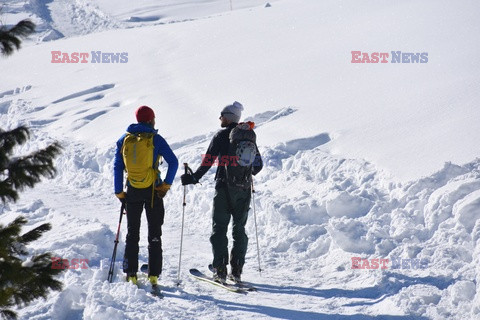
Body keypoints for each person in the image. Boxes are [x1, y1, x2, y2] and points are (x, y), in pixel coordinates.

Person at [181, 101, 263, 282]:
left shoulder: (220, 136)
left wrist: (194, 178)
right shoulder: (248, 138)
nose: (220, 118)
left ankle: (220, 269)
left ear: (228, 117)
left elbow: (208, 161)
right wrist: (243, 172)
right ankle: (237, 270)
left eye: (222, 115)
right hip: (243, 189)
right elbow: (258, 166)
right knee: (239, 229)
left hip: (223, 187)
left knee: (219, 228)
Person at [114, 105, 178, 286]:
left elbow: (118, 167)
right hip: (153, 191)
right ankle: (154, 275)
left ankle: (131, 273)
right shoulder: (156, 139)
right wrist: (165, 185)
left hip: (132, 190)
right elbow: (173, 162)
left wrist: (119, 192)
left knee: (132, 233)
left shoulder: (124, 139)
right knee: (154, 233)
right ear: (151, 120)